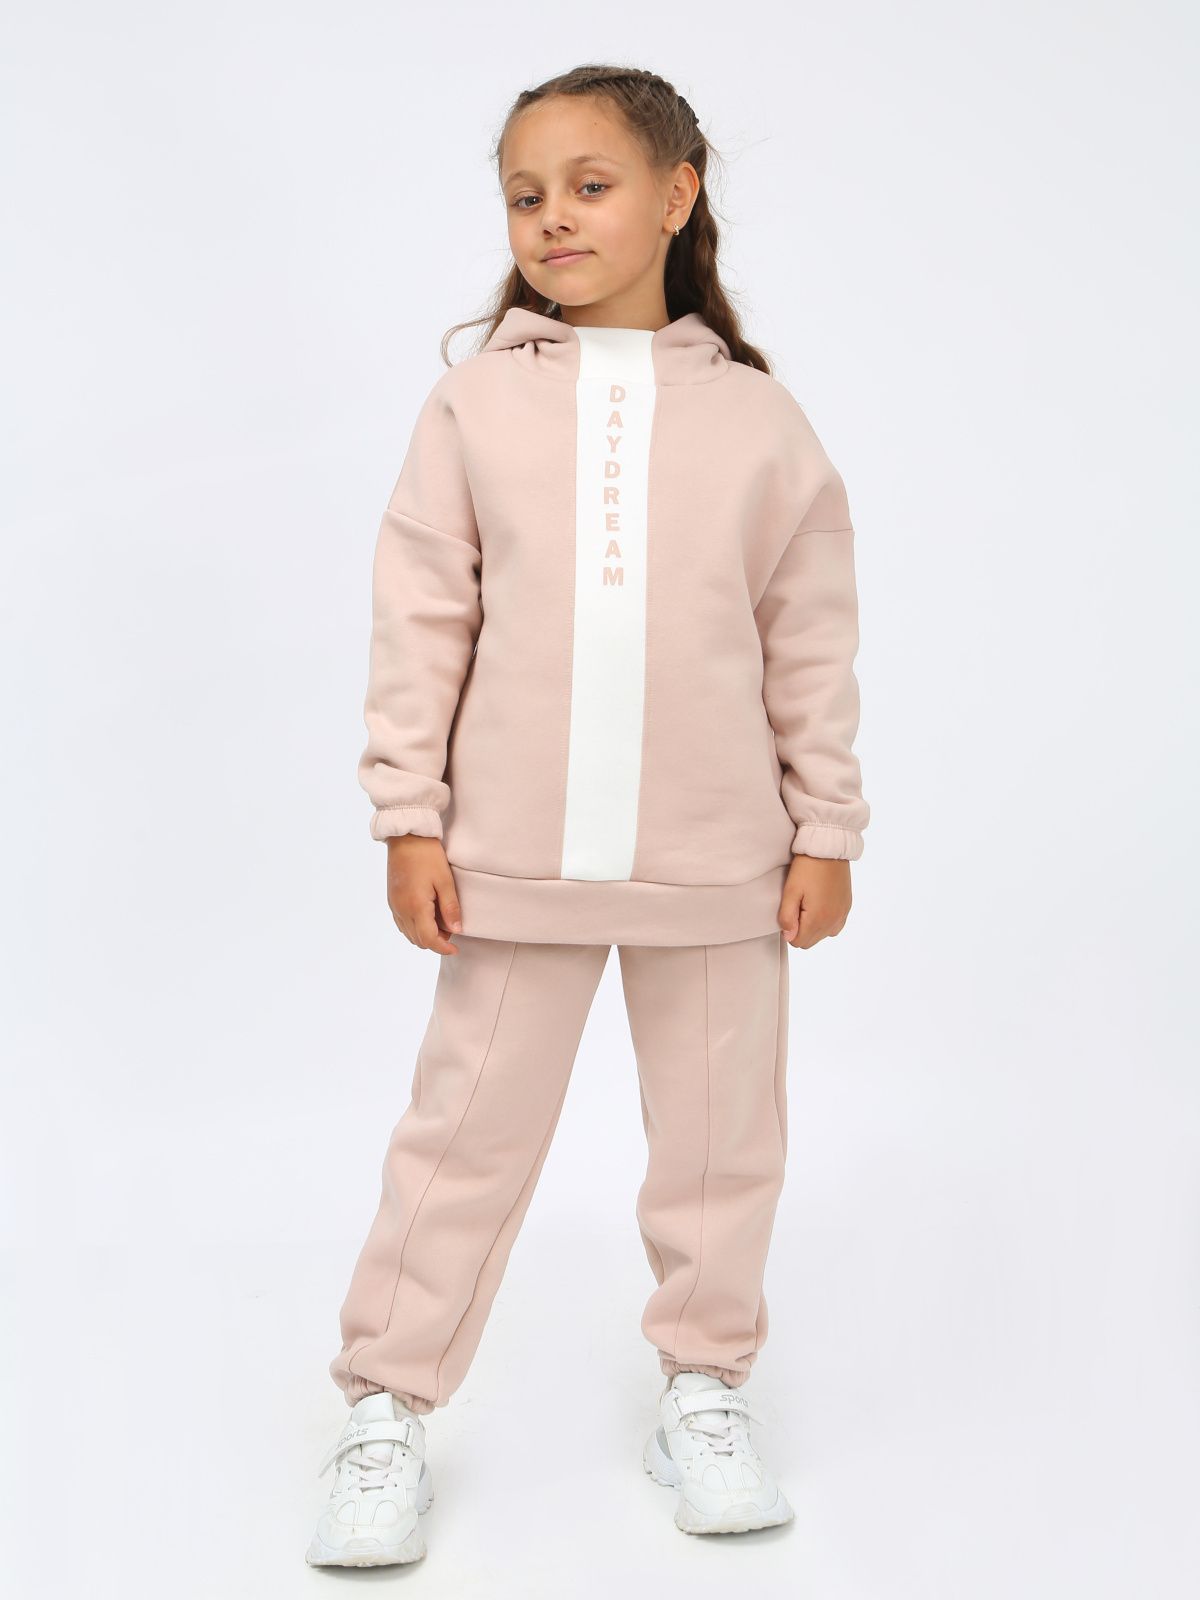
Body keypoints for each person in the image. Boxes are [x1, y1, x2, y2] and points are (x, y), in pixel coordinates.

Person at [305, 62, 871, 1567]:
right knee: (459, 1145)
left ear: (679, 196)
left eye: (590, 185)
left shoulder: (760, 421)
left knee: (722, 1146)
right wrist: (408, 816)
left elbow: (810, 638)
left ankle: (705, 1386)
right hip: (511, 862)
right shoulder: (473, 405)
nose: (552, 216)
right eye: (524, 194)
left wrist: (826, 829)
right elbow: (422, 619)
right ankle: (386, 1410)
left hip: (721, 865)